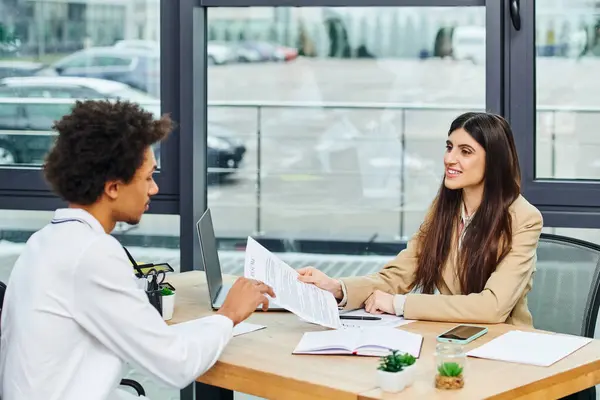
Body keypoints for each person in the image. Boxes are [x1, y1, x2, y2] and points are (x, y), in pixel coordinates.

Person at [0, 100, 274, 400]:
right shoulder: (91, 253)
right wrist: (229, 315)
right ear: (113, 187)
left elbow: (156, 343)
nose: (154, 189)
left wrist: (219, 319)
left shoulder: (46, 241)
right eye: (147, 177)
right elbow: (175, 365)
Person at [298, 112, 543, 327]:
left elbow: (492, 307)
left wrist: (400, 304)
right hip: (451, 338)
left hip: (504, 345)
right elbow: (398, 275)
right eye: (449, 147)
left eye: (465, 151)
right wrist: (338, 288)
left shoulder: (524, 219)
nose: (450, 159)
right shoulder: (445, 209)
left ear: (493, 162)